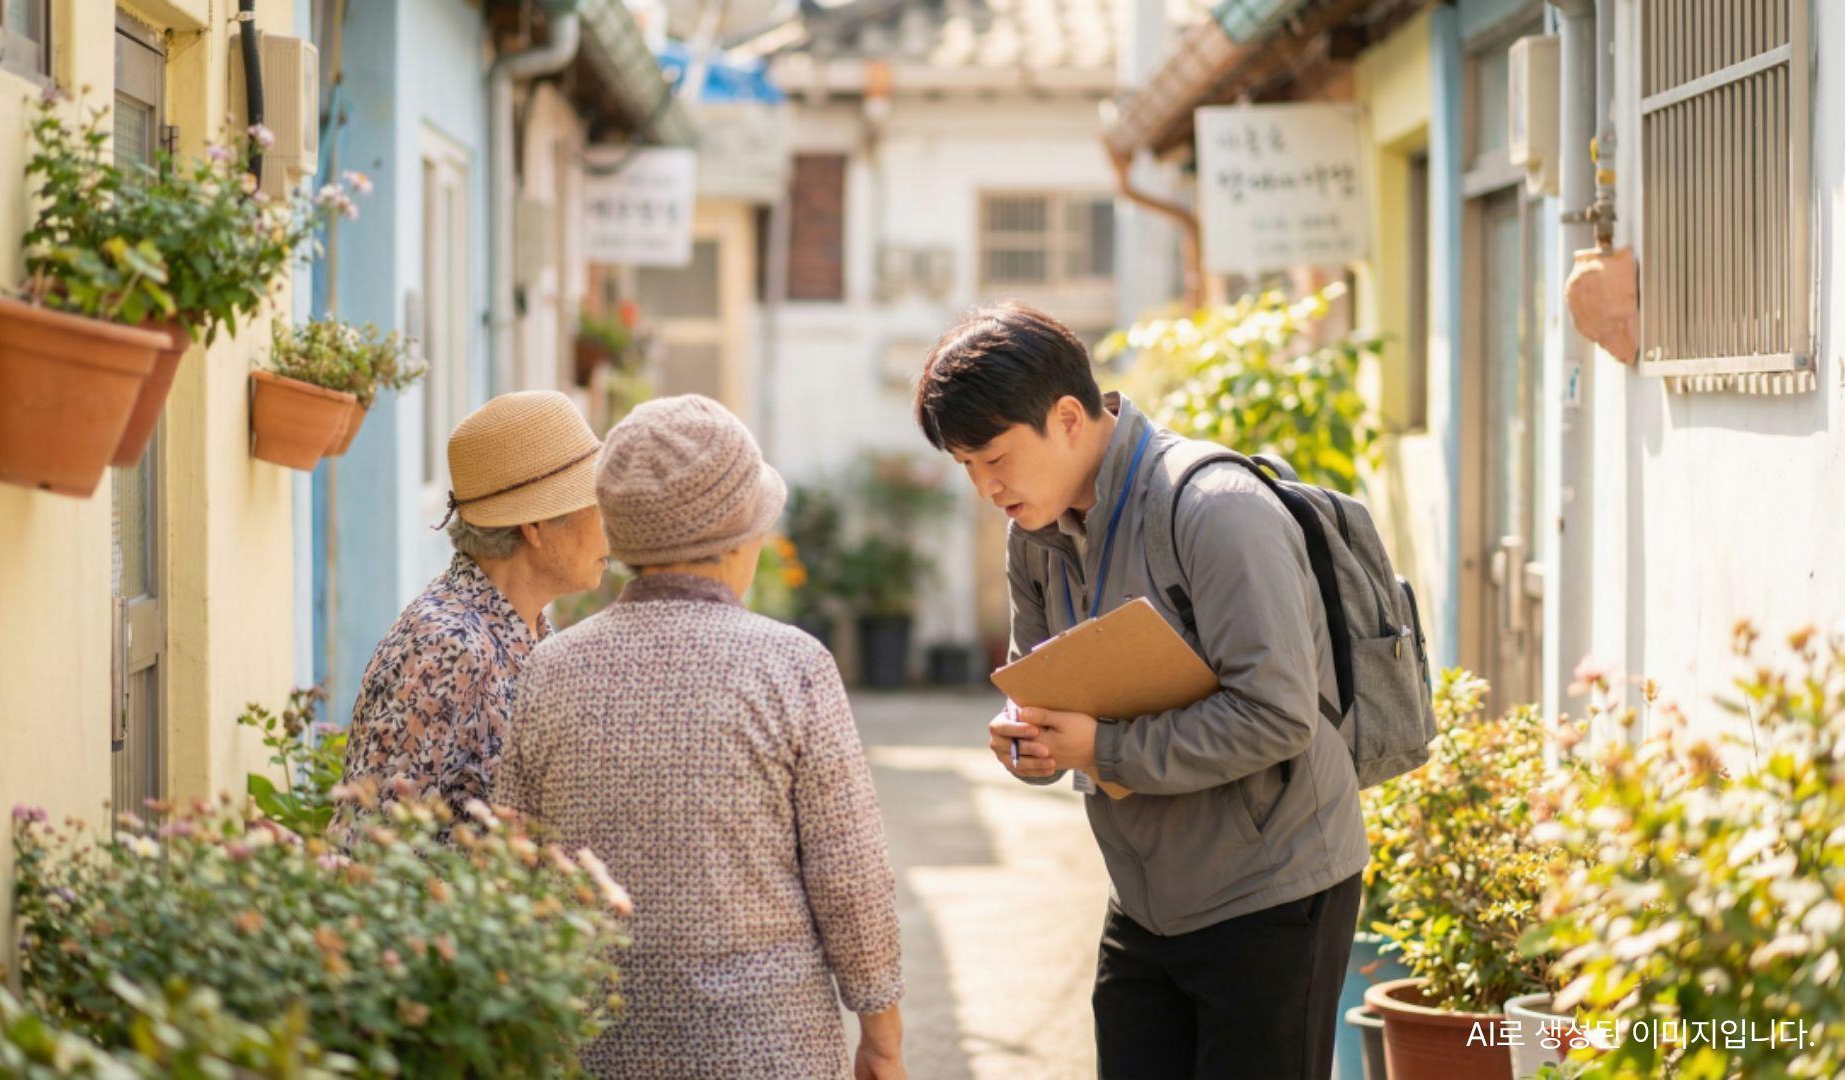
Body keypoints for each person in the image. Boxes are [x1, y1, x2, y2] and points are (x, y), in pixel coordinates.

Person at [915, 303, 1367, 1079]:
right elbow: (1039, 682)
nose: (985, 487)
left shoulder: (1216, 509)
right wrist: (1032, 739)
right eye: (965, 467)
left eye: (993, 457)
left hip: (1274, 891)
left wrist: (1104, 748)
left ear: (1066, 417)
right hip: (1146, 893)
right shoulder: (1036, 534)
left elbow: (1277, 713)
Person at [495, 395, 906, 1080]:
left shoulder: (549, 669)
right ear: (740, 537)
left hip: (594, 1042)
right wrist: (883, 1037)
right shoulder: (792, 666)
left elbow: (514, 862)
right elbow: (850, 877)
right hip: (768, 1047)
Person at [336, 391, 609, 825]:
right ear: (535, 526)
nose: (610, 520)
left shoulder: (521, 628)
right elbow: (369, 846)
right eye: (596, 503)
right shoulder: (449, 646)